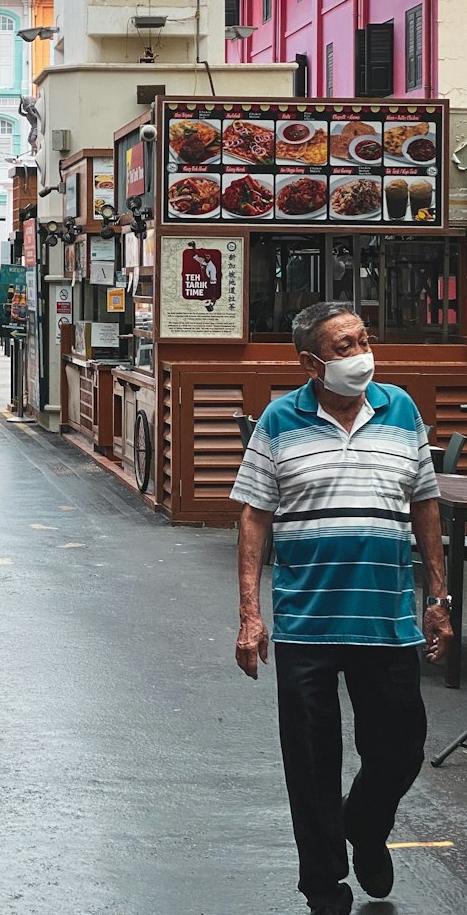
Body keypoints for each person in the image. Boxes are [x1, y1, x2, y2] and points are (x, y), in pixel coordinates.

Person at [231, 301, 452, 915]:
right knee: (310, 763)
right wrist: (251, 615)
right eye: (345, 346)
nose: (361, 354)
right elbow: (254, 515)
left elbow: (426, 503)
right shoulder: (279, 420)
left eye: (362, 339)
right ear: (310, 362)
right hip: (307, 623)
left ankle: (365, 823)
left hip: (386, 620)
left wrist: (438, 598)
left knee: (402, 746)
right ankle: (324, 884)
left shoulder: (401, 409)